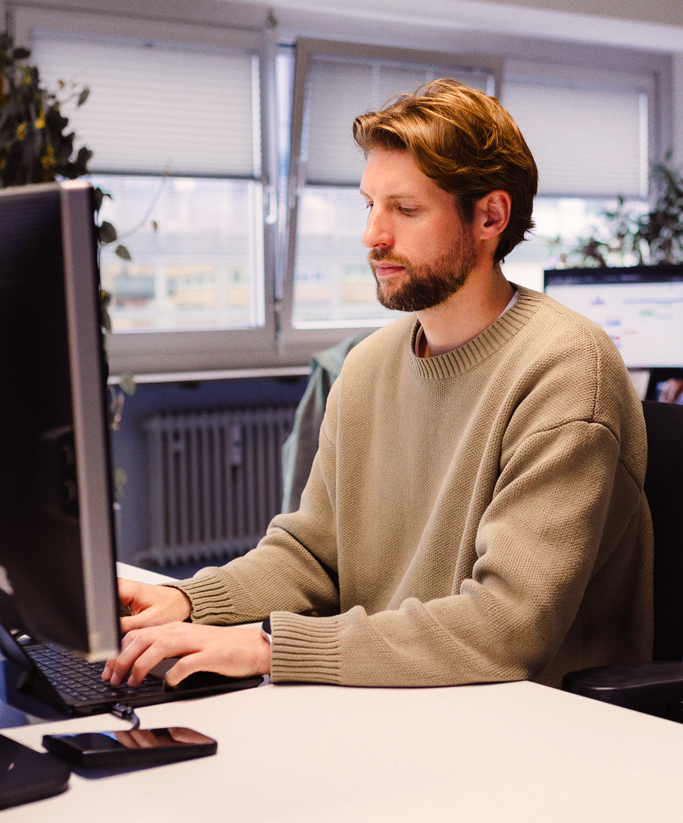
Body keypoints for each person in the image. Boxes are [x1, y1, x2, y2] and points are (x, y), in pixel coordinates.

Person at [103, 79, 652, 689]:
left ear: (490, 216)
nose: (372, 236)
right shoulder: (366, 367)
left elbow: (507, 627)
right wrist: (189, 603)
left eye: (405, 209)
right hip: (393, 700)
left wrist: (268, 646)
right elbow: (311, 556)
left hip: (522, 724)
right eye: (370, 204)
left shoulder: (566, 369)